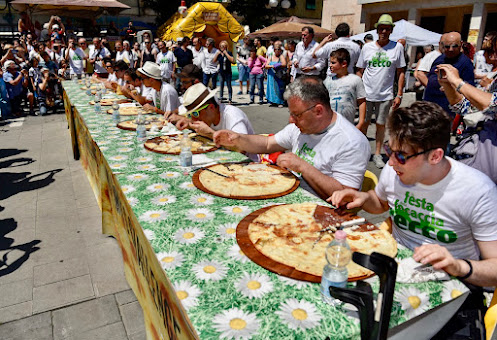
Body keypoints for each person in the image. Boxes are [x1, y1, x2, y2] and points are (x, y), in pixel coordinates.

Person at [330, 101, 497, 339]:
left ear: (435, 156)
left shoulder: (478, 191)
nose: (391, 162)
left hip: (453, 284)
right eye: (389, 150)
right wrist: (362, 198)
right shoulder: (394, 171)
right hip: (395, 267)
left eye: (401, 155)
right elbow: (381, 203)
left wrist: (458, 266)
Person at [213, 76, 370, 199]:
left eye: (296, 114)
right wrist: (238, 139)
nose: (291, 120)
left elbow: (346, 197)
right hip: (291, 196)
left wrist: (302, 166)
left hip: (323, 211)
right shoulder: (301, 127)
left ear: (318, 111)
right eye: (291, 114)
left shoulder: (351, 142)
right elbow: (267, 144)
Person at [437, 31, 497, 183]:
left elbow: (492, 104)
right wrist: (448, 85)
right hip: (480, 148)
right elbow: (465, 107)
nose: (487, 55)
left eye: (491, 50)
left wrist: (458, 82)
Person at [356, 14, 406, 168]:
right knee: (363, 123)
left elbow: (401, 72)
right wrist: (358, 90)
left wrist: (399, 94)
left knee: (380, 125)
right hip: (366, 93)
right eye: (381, 28)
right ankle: (360, 152)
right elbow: (360, 70)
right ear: (377, 30)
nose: (384, 31)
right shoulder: (367, 47)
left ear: (391, 31)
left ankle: (377, 154)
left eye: (387, 29)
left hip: (385, 94)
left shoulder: (397, 48)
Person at [178, 82, 254, 141]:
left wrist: (210, 134)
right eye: (190, 114)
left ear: (211, 107)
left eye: (195, 113)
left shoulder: (232, 115)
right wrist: (188, 123)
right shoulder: (209, 117)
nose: (194, 119)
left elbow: (242, 148)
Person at [423, 32, 475, 116]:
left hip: (448, 111)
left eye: (454, 46)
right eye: (447, 46)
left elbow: (469, 89)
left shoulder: (465, 63)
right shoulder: (439, 59)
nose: (450, 49)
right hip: (430, 107)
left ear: (460, 44)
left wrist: (451, 87)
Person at [324, 49, 366, 130]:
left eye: (333, 63)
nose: (330, 65)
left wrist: (361, 122)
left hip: (348, 124)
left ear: (344, 63)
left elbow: (362, 101)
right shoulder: (327, 81)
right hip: (330, 125)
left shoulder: (355, 80)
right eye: (330, 62)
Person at [265, 41, 287, 107]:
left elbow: (284, 64)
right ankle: (273, 101)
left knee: (278, 88)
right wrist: (272, 66)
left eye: (279, 50)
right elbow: (266, 65)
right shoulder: (271, 56)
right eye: (277, 50)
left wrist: (278, 64)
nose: (278, 51)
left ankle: (280, 101)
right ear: (274, 50)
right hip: (271, 75)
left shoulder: (281, 56)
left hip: (278, 75)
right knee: (271, 88)